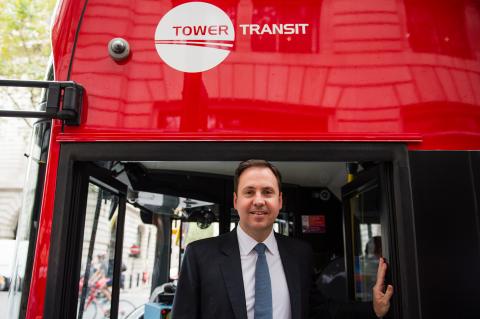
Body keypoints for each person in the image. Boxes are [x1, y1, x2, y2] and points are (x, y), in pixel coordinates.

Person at [171, 159, 393, 319]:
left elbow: (320, 309)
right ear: (236, 201)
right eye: (249, 192)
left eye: (267, 192)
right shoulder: (199, 255)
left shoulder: (299, 254)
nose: (259, 201)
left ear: (279, 201)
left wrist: (372, 308)